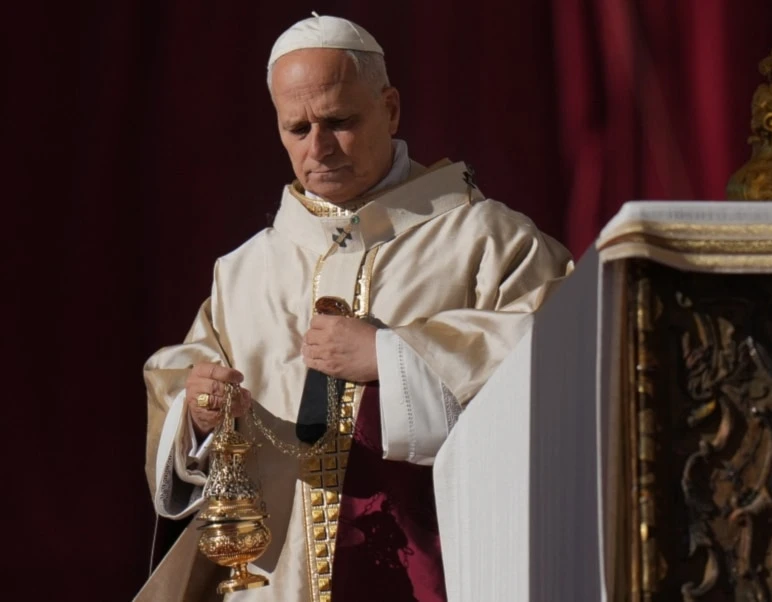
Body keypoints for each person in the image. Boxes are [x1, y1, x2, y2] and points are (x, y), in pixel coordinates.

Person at [135, 13, 573, 602]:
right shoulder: (244, 271)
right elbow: (179, 383)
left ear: (389, 109)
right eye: (297, 129)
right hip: (275, 584)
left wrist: (394, 357)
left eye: (339, 121)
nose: (318, 148)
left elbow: (562, 356)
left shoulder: (486, 239)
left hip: (440, 573)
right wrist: (198, 413)